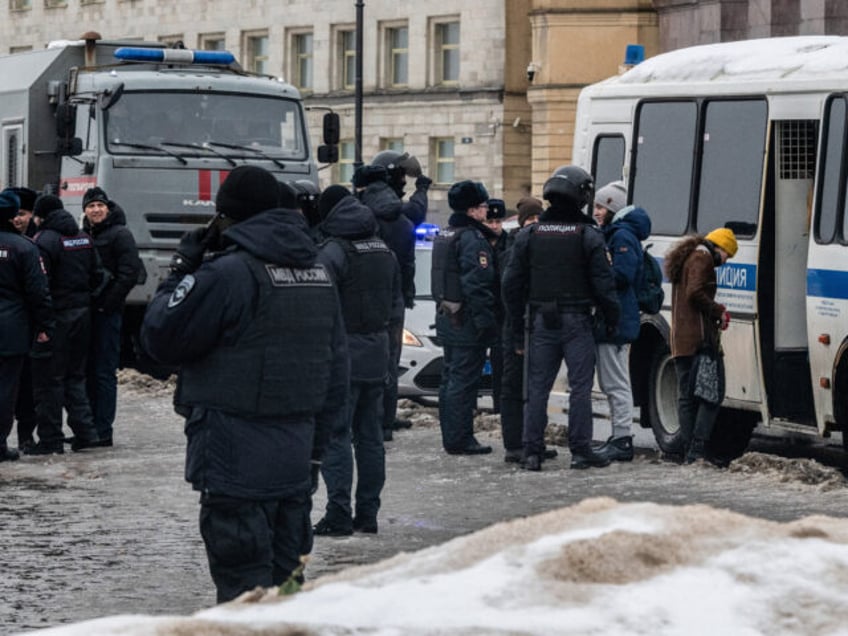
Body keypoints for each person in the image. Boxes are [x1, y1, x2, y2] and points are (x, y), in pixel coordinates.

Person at [140, 165, 349, 603]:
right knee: (288, 587)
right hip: (295, 455)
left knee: (243, 593)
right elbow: (336, 371)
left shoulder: (228, 274)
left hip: (232, 455)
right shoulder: (318, 273)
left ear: (228, 217)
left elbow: (161, 336)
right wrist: (316, 452)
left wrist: (182, 268)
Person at [502, 167, 619, 471]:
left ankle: (532, 452)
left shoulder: (529, 233)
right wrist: (612, 317)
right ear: (582, 196)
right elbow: (604, 284)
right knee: (580, 388)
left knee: (537, 387)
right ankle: (581, 450)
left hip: (541, 319)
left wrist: (517, 325)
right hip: (578, 319)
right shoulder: (588, 235)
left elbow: (510, 284)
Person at [312, 185, 402, 537]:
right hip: (377, 351)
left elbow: (320, 306)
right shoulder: (385, 251)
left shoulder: (333, 252)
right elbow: (396, 308)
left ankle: (337, 513)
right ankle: (368, 513)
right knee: (370, 438)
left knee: (336, 436)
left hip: (342, 354)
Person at [25, 194, 101, 455]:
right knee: (76, 377)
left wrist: (42, 322)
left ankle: (50, 440)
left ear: (40, 216)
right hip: (83, 315)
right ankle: (86, 433)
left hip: (57, 317)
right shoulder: (83, 238)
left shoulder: (44, 241)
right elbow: (98, 275)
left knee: (49, 380)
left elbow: (39, 287)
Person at [431, 180, 498, 455]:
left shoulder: (446, 233)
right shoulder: (471, 238)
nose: (486, 211)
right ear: (472, 210)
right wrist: (485, 322)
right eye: (483, 206)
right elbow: (477, 283)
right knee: (463, 380)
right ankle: (460, 438)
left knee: (450, 378)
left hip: (449, 317)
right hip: (466, 321)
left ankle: (452, 436)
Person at [590, 181, 652, 462]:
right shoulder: (617, 234)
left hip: (616, 319)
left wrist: (595, 275)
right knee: (611, 381)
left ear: (613, 207)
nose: (596, 212)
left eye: (601, 207)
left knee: (615, 382)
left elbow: (622, 276)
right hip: (615, 318)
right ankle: (618, 436)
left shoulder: (621, 237)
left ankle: (623, 438)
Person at [664, 227, 737, 465]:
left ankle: (689, 453)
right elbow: (694, 292)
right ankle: (697, 450)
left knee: (687, 396)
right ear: (720, 247)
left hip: (682, 340)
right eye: (728, 254)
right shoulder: (702, 257)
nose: (725, 261)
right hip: (699, 342)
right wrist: (718, 311)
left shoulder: (688, 256)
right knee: (712, 394)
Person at [355, 164, 415, 442]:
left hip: (365, 298)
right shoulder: (402, 220)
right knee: (390, 362)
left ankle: (366, 420)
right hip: (395, 300)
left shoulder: (362, 216)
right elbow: (409, 264)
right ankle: (386, 423)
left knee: (361, 361)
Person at [81, 187, 142, 447]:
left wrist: (107, 305)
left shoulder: (120, 235)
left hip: (107, 314)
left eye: (100, 206)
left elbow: (129, 274)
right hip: (88, 314)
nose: (96, 210)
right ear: (84, 210)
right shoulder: (84, 235)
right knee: (88, 371)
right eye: (91, 206)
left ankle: (103, 430)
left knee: (104, 372)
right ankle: (90, 427)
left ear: (108, 208)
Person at [0, 189, 54, 461]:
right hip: (12, 332)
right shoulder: (24, 247)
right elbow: (38, 292)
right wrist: (45, 325)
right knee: (6, 389)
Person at [500, 195, 550, 464]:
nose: (534, 222)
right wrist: (517, 333)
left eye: (537, 218)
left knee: (535, 386)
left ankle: (533, 440)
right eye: (530, 219)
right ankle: (514, 444)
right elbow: (509, 292)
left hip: (534, 324)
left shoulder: (535, 245)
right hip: (516, 325)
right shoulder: (514, 250)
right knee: (514, 386)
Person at [9, 186, 39, 451]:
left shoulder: (36, 242)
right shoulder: (24, 246)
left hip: (26, 328)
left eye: (23, 213)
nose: (18, 219)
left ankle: (26, 436)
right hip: (20, 326)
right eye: (14, 214)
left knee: (27, 386)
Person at [483, 198, 509, 415]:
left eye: (497, 221)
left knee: (501, 364)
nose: (493, 226)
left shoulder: (509, 243)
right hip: (483, 310)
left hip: (502, 313)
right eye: (490, 221)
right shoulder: (476, 241)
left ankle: (499, 408)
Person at [370, 150, 432, 227]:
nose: (404, 181)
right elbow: (414, 212)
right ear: (390, 176)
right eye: (401, 175)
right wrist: (421, 189)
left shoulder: (376, 195)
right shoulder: (381, 199)